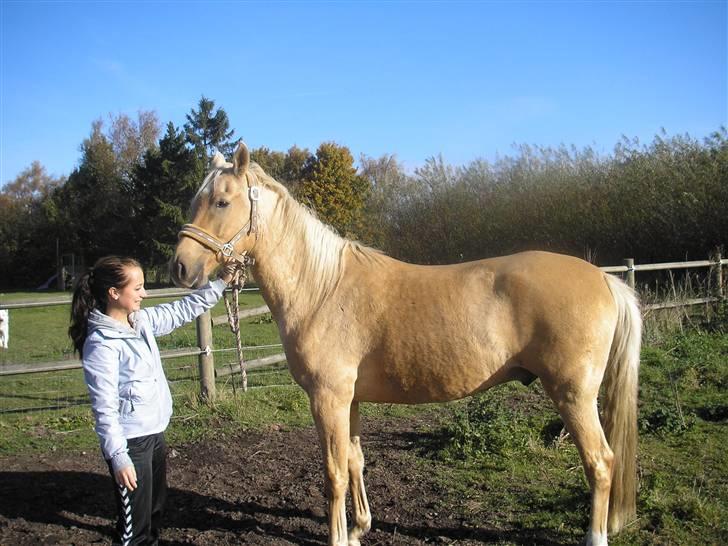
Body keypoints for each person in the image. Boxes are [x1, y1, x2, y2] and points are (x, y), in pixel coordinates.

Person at [69, 255, 235, 546]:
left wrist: (221, 282)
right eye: (138, 288)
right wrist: (119, 457)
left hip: (153, 432)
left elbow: (182, 309)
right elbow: (104, 409)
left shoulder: (139, 321)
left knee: (154, 509)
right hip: (130, 443)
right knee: (135, 527)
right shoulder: (102, 344)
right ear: (114, 293)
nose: (144, 294)